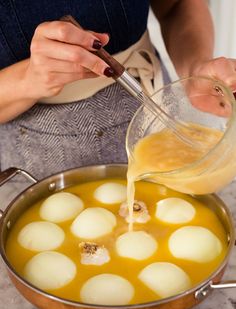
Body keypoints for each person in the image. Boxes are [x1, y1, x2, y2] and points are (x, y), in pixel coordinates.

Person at [0, 0, 235, 179]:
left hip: (158, 102)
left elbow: (175, 6)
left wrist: (195, 67)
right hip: (37, 152)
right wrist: (27, 78)